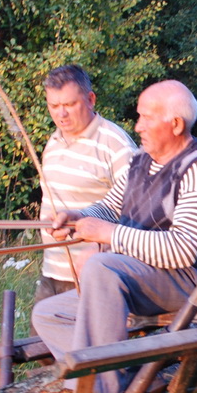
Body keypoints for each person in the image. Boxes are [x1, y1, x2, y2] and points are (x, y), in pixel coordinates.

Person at [31, 79, 197, 393]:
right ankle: (131, 376)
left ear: (176, 124)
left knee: (103, 266)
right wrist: (80, 218)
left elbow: (184, 248)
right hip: (135, 274)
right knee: (48, 314)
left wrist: (109, 235)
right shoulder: (140, 161)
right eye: (139, 117)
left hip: (182, 281)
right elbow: (110, 207)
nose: (138, 126)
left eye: (146, 118)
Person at [35, 64, 135, 302]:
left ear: (90, 100)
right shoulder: (53, 141)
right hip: (51, 271)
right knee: (38, 339)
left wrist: (102, 249)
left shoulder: (116, 144)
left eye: (70, 104)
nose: (61, 114)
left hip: (93, 275)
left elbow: (137, 212)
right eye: (54, 106)